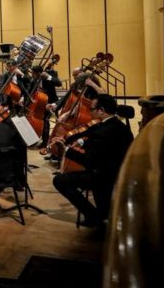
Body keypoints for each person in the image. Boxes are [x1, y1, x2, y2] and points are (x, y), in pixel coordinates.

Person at [52, 94, 134, 228]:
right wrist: (82, 142)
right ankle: (102, 212)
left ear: (101, 111)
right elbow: (102, 144)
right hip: (120, 172)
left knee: (60, 181)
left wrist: (66, 150)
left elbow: (89, 161)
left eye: (92, 109)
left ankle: (93, 216)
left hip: (105, 177)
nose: (90, 112)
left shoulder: (102, 132)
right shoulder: (119, 126)